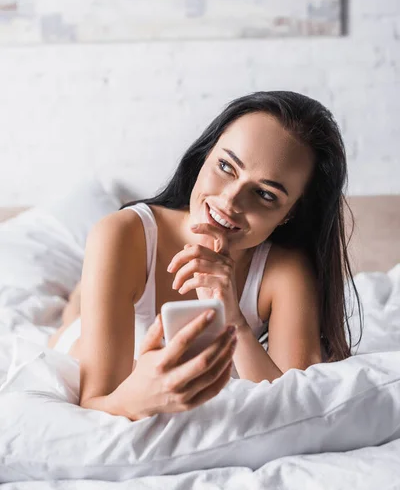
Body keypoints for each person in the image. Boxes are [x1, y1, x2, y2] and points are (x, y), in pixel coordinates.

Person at [47, 91, 362, 421]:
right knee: (72, 322)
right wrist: (140, 398)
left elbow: (296, 405)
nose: (230, 200)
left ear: (290, 214)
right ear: (206, 155)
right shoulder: (122, 234)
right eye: (226, 166)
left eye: (266, 194)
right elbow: (94, 403)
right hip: (83, 336)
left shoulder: (284, 270)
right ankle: (77, 300)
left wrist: (233, 319)